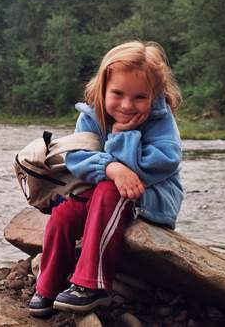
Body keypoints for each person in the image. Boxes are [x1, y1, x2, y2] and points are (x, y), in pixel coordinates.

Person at [28, 41, 184, 317]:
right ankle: (48, 285)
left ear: (154, 94)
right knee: (66, 210)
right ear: (103, 87)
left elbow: (164, 161)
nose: (126, 105)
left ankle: (92, 285)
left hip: (150, 197)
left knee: (110, 190)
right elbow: (76, 158)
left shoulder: (160, 118)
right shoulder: (91, 114)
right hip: (102, 192)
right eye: (118, 93)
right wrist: (111, 167)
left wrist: (122, 136)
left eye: (139, 97)